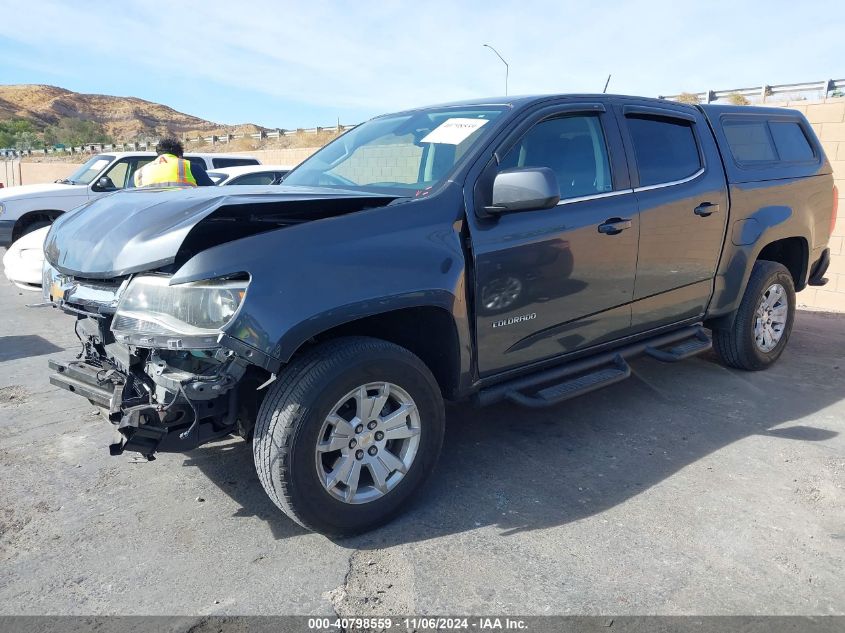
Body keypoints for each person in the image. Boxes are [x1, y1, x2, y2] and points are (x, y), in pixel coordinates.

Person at [133, 137, 214, 188]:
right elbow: (212, 193)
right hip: (185, 213)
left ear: (158, 154)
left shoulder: (139, 172)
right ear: (180, 155)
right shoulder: (189, 166)